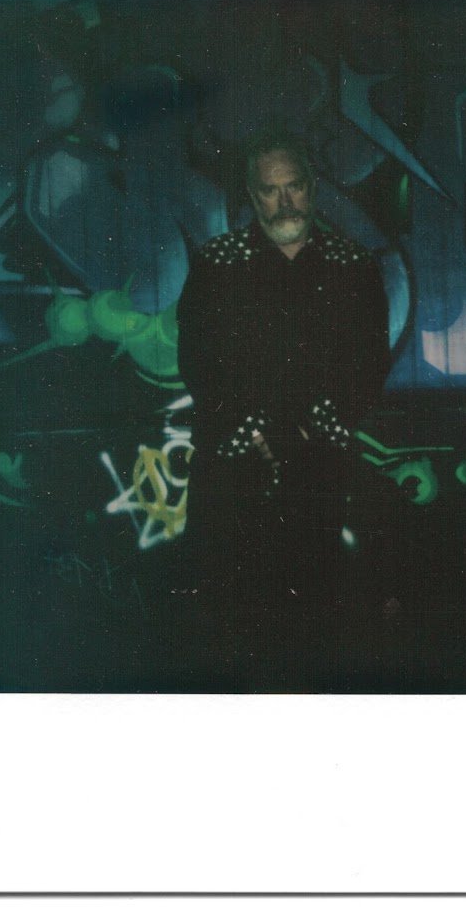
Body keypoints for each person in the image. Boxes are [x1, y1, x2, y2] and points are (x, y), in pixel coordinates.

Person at [177, 129, 391, 614]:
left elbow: (368, 367)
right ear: (253, 196)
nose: (285, 202)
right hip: (231, 467)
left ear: (311, 187)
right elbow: (199, 364)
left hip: (319, 465)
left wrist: (302, 430)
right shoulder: (217, 265)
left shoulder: (352, 266)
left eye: (293, 186)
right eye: (270, 191)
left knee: (314, 609)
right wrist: (259, 430)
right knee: (227, 610)